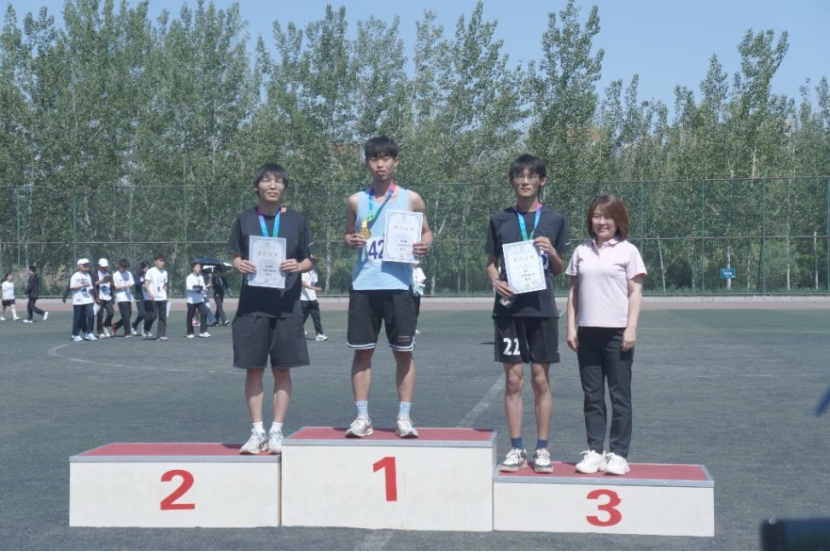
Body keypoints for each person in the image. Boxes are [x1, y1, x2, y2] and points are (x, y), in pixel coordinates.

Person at [343, 136, 433, 439]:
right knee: (362, 353)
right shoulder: (356, 201)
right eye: (374, 159)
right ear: (367, 162)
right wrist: (350, 240)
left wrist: (424, 245)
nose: (380, 164)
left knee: (403, 354)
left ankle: (404, 417)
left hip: (399, 286)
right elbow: (348, 234)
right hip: (364, 285)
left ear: (395, 161)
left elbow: (427, 232)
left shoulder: (411, 199)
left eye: (385, 158)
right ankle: (362, 417)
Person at [485, 154, 568, 473]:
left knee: (540, 379)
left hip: (541, 309)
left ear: (541, 180)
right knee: (513, 379)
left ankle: (542, 449)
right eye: (519, 176)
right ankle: (516, 448)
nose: (525, 181)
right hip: (509, 309)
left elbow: (558, 269)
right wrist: (496, 281)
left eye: (531, 176)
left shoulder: (554, 219)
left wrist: (552, 252)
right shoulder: (499, 219)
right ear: (511, 181)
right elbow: (491, 263)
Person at [229, 163, 313, 455]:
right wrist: (238, 264)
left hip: (287, 306)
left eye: (278, 181)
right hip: (252, 306)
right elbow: (236, 256)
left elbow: (308, 260)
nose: (273, 185)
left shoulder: (297, 220)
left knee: (282, 369)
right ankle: (257, 432)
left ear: (284, 188)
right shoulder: (244, 219)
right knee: (253, 370)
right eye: (266, 180)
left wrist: (297, 266)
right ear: (257, 186)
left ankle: (276, 431)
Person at [566, 194, 646, 476]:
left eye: (607, 216)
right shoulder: (581, 251)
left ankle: (619, 454)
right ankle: (595, 452)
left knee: (620, 396)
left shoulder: (628, 251)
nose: (601, 222)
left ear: (618, 220)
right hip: (587, 334)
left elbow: (635, 292)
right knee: (592, 396)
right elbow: (574, 291)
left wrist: (631, 327)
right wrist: (571, 327)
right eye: (597, 216)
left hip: (617, 335)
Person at [69, 258, 96, 341]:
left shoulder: (88, 275)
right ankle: (75, 334)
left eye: (86, 264)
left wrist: (93, 299)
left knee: (91, 315)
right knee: (78, 318)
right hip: (78, 300)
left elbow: (90, 288)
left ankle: (89, 333)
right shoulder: (75, 276)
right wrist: (82, 285)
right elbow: (72, 287)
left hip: (88, 300)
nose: (86, 266)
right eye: (84, 265)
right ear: (79, 266)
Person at [300, 255, 327, 341]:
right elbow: (303, 283)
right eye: (312, 260)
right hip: (304, 299)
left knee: (316, 317)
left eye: (314, 261)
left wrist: (315, 289)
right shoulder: (302, 271)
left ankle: (319, 334)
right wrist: (313, 288)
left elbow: (313, 284)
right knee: (302, 318)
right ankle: (298, 330)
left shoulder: (314, 273)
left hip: (313, 299)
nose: (313, 262)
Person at [143, 254, 169, 341]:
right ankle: (146, 327)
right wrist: (149, 293)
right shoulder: (150, 271)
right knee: (153, 316)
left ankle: (161, 335)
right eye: (160, 261)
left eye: (163, 261)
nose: (162, 263)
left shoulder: (165, 272)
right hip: (153, 297)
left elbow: (165, 284)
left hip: (162, 297)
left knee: (162, 317)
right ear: (155, 262)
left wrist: (165, 294)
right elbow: (146, 283)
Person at [185, 261, 209, 338]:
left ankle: (203, 331)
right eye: (197, 267)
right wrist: (197, 288)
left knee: (204, 313)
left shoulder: (201, 276)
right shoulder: (189, 277)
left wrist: (205, 288)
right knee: (190, 316)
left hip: (200, 299)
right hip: (191, 300)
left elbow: (203, 286)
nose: (199, 268)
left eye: (200, 267)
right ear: (193, 268)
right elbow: (189, 287)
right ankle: (190, 332)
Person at [111, 258, 135, 338]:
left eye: (126, 267)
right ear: (119, 266)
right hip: (121, 297)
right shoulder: (115, 275)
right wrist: (123, 286)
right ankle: (127, 332)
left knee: (129, 315)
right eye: (123, 267)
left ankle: (116, 325)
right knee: (126, 315)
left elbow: (132, 283)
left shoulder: (128, 273)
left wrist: (130, 285)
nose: (124, 269)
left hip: (128, 296)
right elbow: (114, 287)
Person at [93, 258, 115, 338]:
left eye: (105, 266)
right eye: (102, 266)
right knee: (100, 315)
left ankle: (105, 325)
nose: (104, 268)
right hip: (99, 297)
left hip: (108, 296)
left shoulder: (108, 273)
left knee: (111, 312)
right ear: (99, 265)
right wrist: (101, 281)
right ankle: (100, 331)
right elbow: (93, 285)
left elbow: (112, 285)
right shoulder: (95, 273)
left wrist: (113, 297)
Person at [132, 261, 150, 337]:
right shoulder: (137, 275)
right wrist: (143, 282)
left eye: (148, 267)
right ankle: (134, 324)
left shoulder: (149, 274)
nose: (147, 269)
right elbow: (135, 283)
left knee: (148, 314)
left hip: (148, 297)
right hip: (139, 297)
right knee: (142, 314)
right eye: (146, 267)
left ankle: (145, 330)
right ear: (142, 267)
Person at [411, 262, 426, 334]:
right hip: (409, 293)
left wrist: (418, 283)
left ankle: (414, 328)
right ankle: (409, 328)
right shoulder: (409, 269)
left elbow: (422, 279)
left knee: (416, 311)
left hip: (417, 293)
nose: (416, 263)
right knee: (410, 310)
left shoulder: (419, 270)